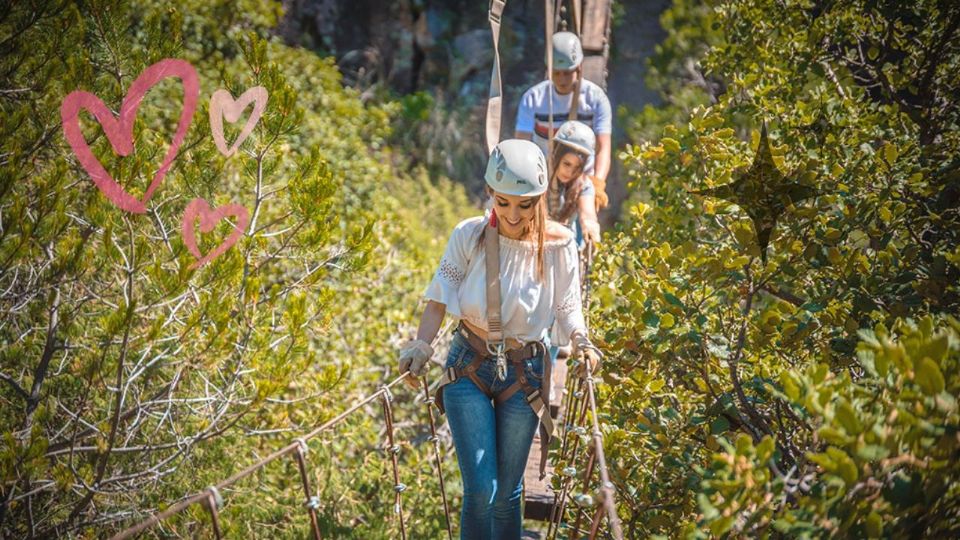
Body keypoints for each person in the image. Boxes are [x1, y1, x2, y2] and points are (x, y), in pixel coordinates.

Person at [398, 139, 603, 539]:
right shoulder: (468, 234)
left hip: (524, 373)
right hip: (467, 364)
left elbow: (567, 305)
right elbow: (439, 299)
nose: (512, 214)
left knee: (508, 494)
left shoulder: (560, 246)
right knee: (481, 491)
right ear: (491, 193)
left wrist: (580, 340)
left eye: (524, 205)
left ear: (540, 199)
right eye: (503, 202)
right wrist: (422, 346)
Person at [515, 31, 612, 185]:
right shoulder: (533, 99)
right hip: (543, 175)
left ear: (579, 68)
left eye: (567, 73)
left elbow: (603, 147)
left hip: (581, 176)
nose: (562, 79)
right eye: (556, 73)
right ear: (549, 70)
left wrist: (598, 183)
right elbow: (522, 145)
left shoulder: (595, 99)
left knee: (586, 208)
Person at [548, 120, 604, 248]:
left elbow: (588, 215)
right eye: (566, 164)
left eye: (577, 167)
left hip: (565, 248)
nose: (570, 172)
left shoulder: (583, 185)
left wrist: (591, 229)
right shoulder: (538, 174)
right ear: (556, 155)